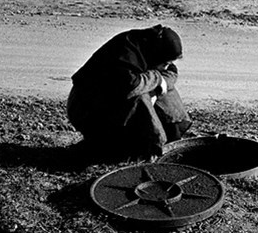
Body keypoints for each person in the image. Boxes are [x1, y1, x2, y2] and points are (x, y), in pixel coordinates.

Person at [66, 24, 192, 162]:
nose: (167, 66)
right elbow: (132, 87)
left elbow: (171, 73)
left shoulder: (152, 48)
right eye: (165, 62)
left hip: (115, 102)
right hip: (87, 109)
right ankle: (149, 146)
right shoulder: (125, 51)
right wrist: (156, 79)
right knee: (141, 96)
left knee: (165, 90)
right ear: (157, 53)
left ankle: (171, 136)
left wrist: (158, 85)